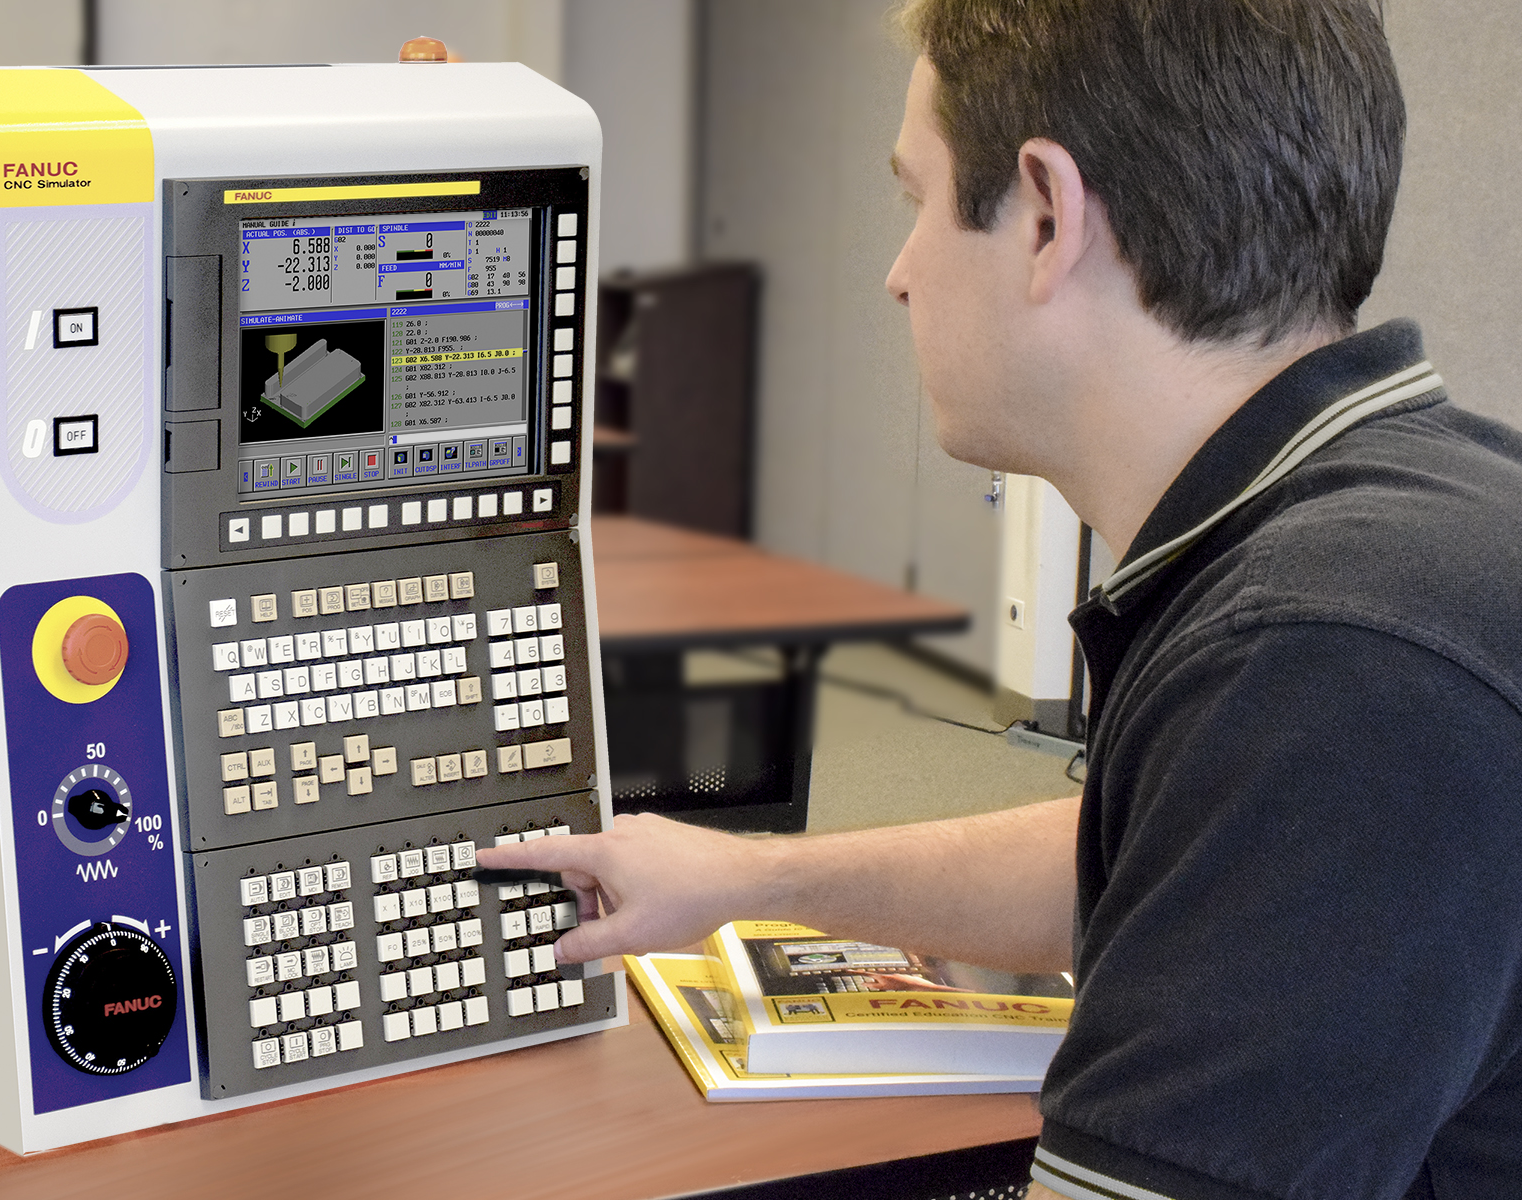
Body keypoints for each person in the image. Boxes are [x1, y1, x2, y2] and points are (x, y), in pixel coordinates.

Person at [483, 1, 1522, 1196]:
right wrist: (757, 881)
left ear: (1045, 216)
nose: (900, 275)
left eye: (918, 199)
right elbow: (1149, 852)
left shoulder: (1327, 666)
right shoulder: (1415, 528)